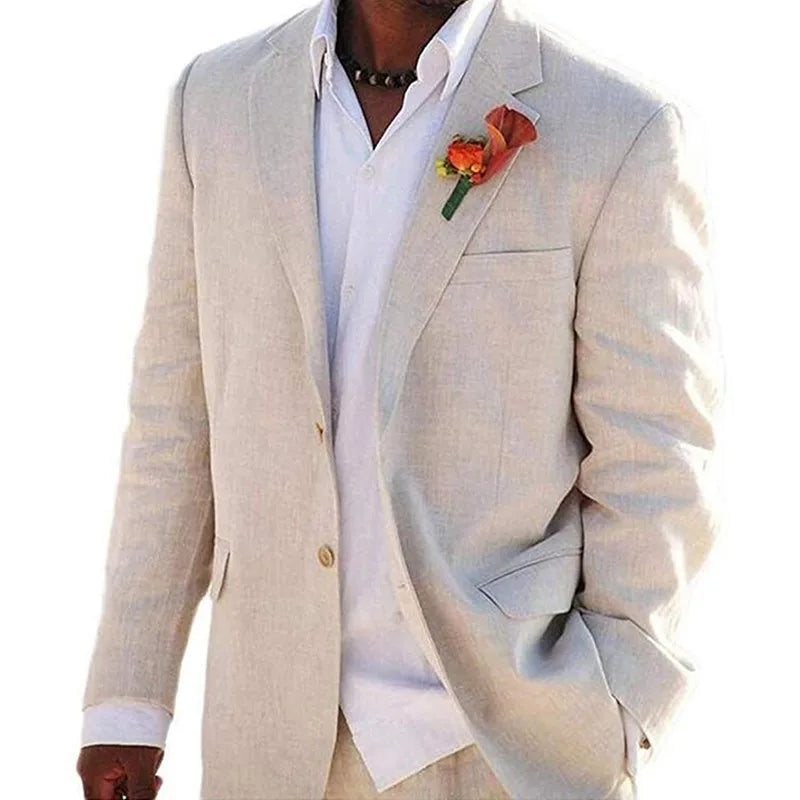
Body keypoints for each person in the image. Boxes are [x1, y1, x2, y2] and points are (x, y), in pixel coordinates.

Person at [75, 0, 724, 798]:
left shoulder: (618, 130)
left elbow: (657, 457)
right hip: (267, 748)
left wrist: (615, 706)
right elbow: (175, 423)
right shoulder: (214, 102)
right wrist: (128, 702)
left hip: (503, 750)